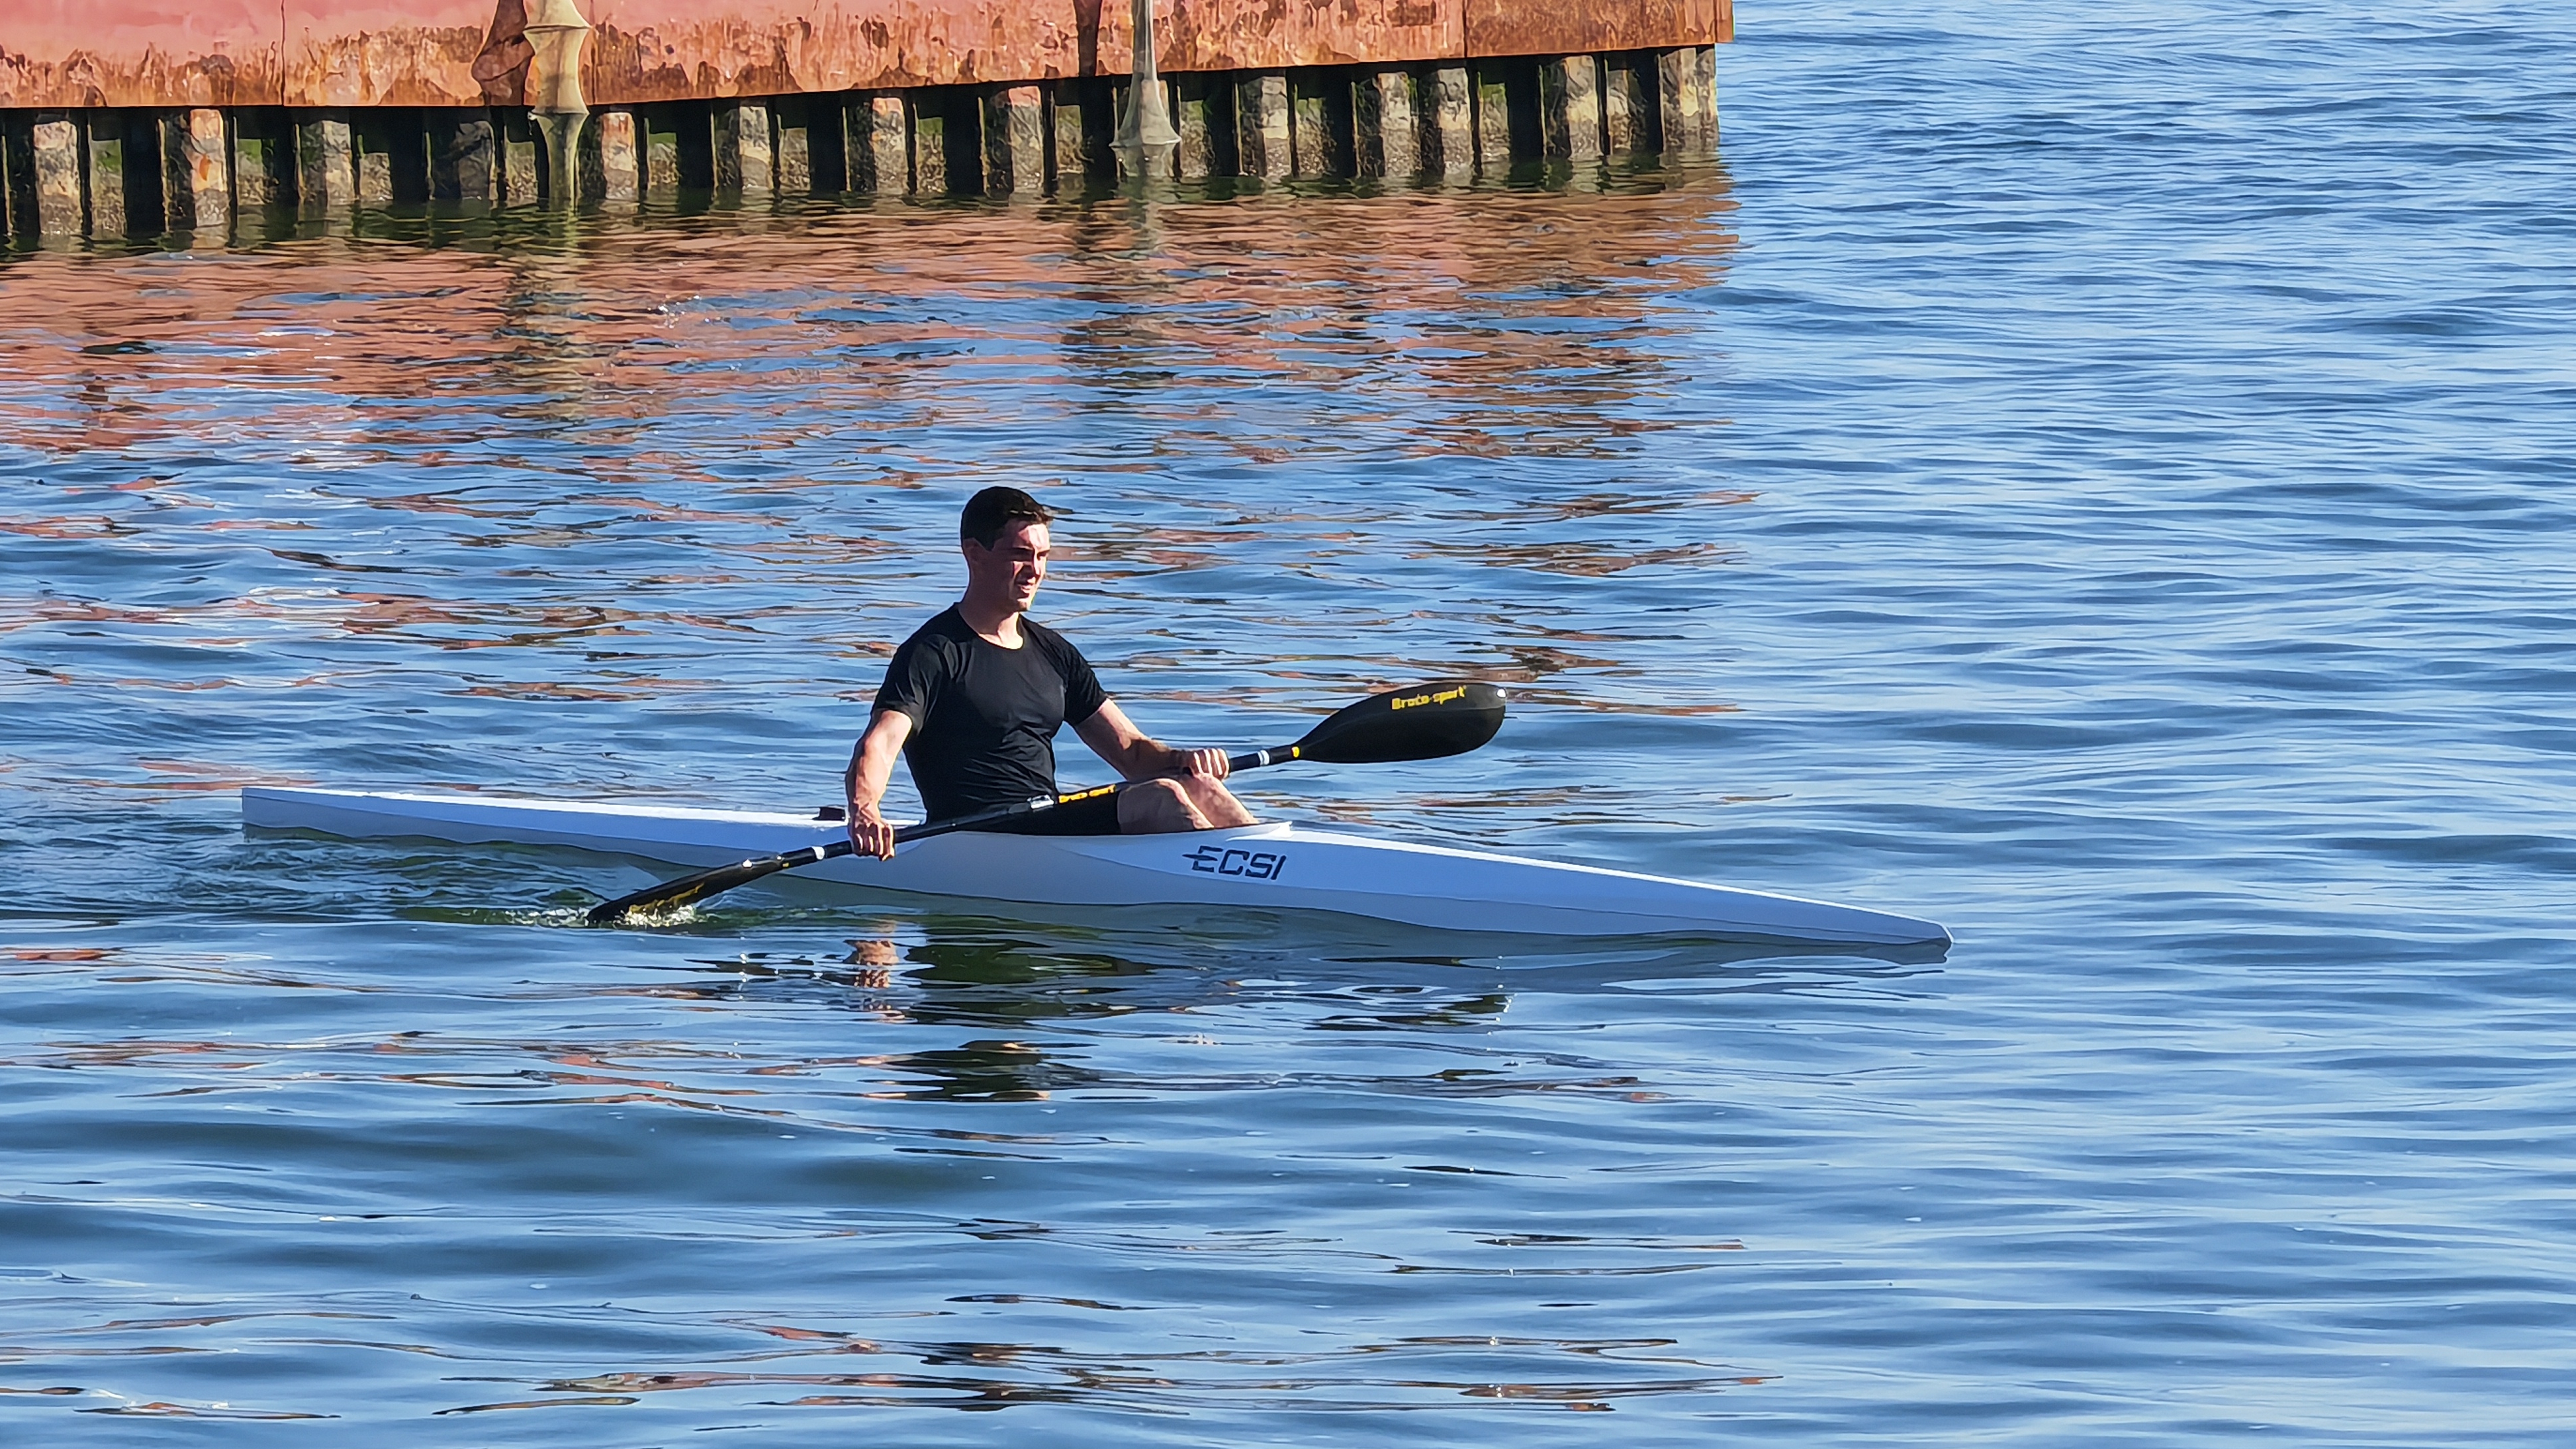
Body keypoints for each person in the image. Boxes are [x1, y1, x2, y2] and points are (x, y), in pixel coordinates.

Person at [843, 487, 1255, 858]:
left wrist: (1186, 759)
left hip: (1046, 819)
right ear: (974, 553)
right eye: (1020, 555)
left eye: (1042, 556)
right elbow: (879, 744)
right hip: (980, 832)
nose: (1035, 571)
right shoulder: (933, 652)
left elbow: (1132, 753)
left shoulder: (1053, 651)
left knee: (1189, 780)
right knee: (1162, 797)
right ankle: (1231, 885)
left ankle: (1270, 859)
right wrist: (866, 811)